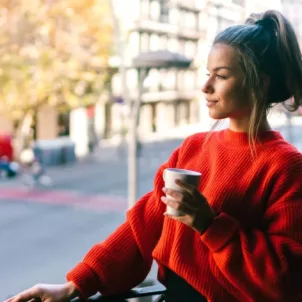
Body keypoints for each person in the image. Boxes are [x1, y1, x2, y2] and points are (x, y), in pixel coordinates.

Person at [6, 10, 302, 302]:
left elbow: (289, 281)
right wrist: (76, 285)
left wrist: (210, 225)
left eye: (221, 76)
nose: (206, 86)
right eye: (207, 74)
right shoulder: (192, 148)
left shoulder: (285, 166)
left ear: (259, 84)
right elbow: (142, 228)